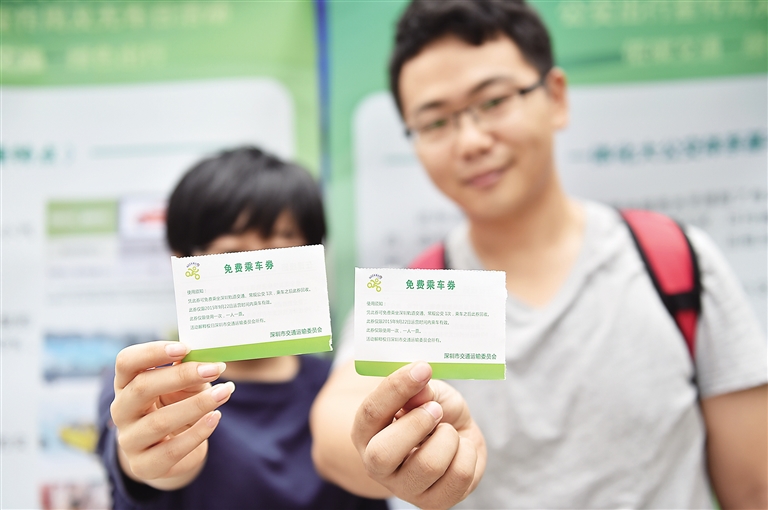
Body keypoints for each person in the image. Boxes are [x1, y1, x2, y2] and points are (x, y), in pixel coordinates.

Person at [310, 1, 768, 509]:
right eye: (435, 122)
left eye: (493, 101)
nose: (471, 141)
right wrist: (386, 452)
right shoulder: (415, 293)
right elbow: (335, 429)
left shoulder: (676, 261)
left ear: (556, 97)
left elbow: (754, 489)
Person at [97, 147, 389, 510]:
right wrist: (158, 457)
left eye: (281, 250)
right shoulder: (149, 387)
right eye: (233, 255)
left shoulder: (342, 385)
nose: (259, 269)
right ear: (182, 259)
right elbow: (142, 466)